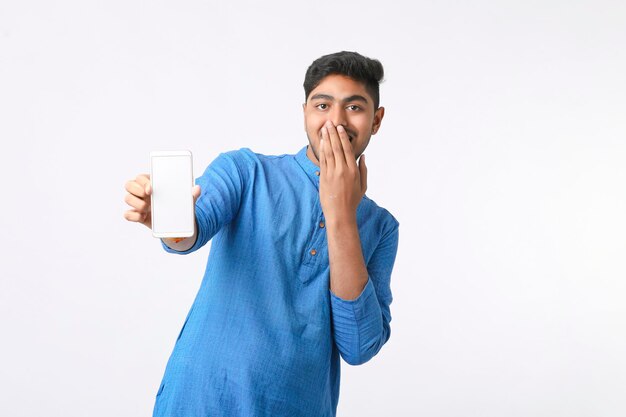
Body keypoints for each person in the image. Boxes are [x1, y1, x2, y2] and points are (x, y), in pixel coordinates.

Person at [123, 51, 400, 417]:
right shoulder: (246, 170)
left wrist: (341, 214)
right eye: (322, 105)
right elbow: (189, 230)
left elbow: (360, 345)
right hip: (201, 401)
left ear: (376, 120)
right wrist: (167, 221)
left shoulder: (380, 227)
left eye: (354, 108)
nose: (335, 122)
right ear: (305, 112)